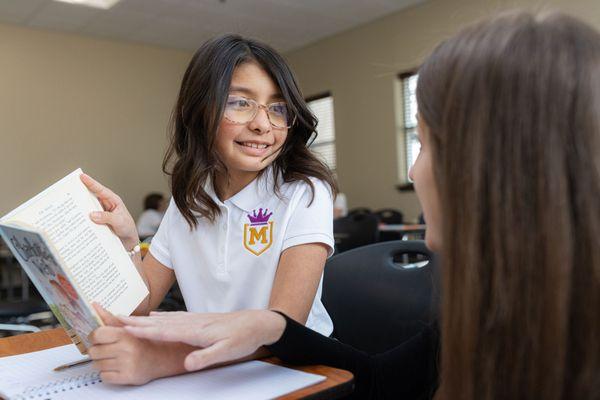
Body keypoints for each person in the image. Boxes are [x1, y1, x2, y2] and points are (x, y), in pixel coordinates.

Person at [115, 11, 600, 399]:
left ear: (502, 172)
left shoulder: (301, 192)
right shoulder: (489, 313)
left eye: (426, 146)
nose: (412, 173)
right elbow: (377, 380)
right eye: (240, 103)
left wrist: (184, 354)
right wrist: (119, 247)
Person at [81, 34, 338, 385]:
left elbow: (283, 328)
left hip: (294, 370)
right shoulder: (188, 199)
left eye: (278, 108)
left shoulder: (304, 192)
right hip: (213, 371)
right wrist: (128, 240)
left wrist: (163, 358)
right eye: (240, 103)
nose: (263, 124)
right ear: (200, 111)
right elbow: (141, 305)